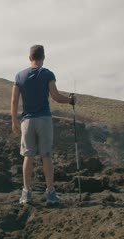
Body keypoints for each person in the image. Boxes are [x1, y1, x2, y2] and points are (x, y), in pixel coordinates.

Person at [11, 44, 75, 205]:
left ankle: (26, 193)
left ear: (30, 57)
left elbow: (14, 100)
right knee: (46, 156)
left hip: (27, 121)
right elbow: (55, 96)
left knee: (28, 156)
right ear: (43, 58)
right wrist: (70, 100)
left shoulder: (19, 76)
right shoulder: (47, 74)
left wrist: (14, 120)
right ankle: (51, 194)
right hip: (44, 119)